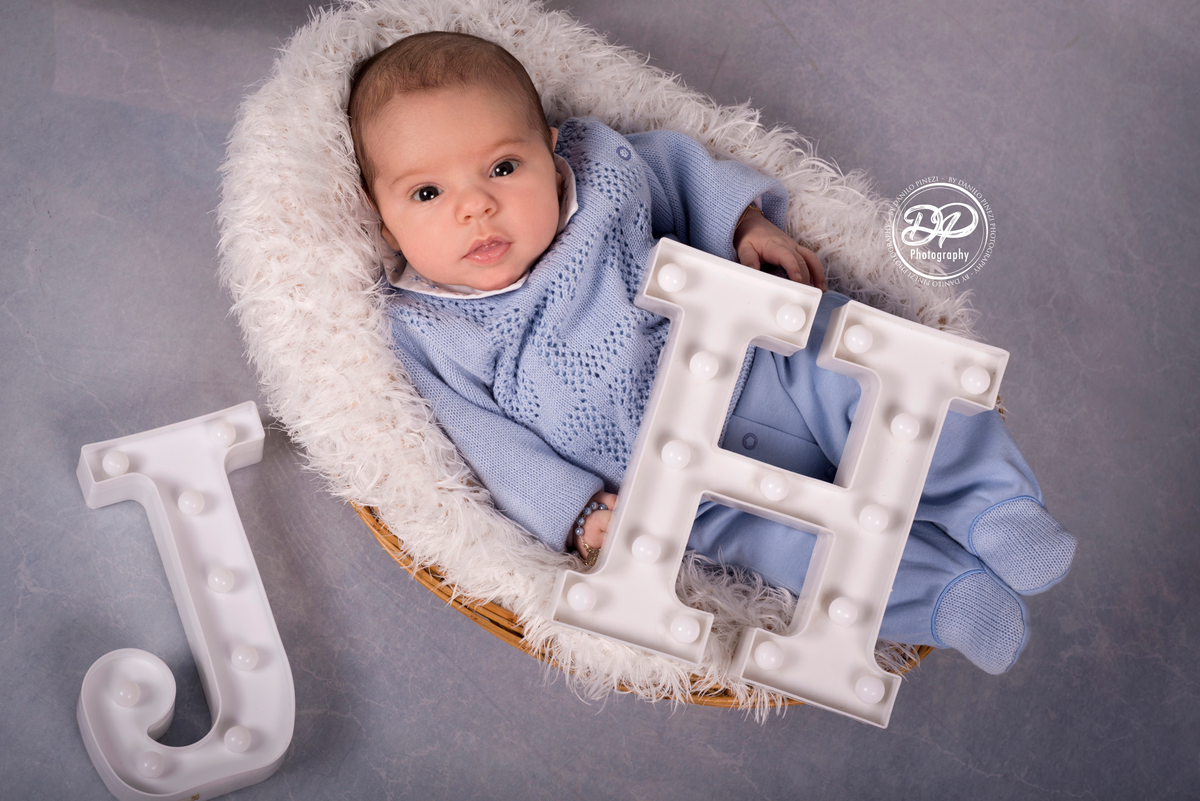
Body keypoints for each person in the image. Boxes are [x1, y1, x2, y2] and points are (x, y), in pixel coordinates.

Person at [348, 31, 1075, 674]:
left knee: (876, 375)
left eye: (502, 169)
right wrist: (574, 512)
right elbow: (490, 443)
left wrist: (746, 223)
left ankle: (995, 506)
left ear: (548, 143)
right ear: (381, 216)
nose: (473, 206)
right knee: (800, 556)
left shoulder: (601, 170)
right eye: (426, 192)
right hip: (683, 489)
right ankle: (948, 597)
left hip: (767, 363)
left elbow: (681, 169)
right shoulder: (429, 329)